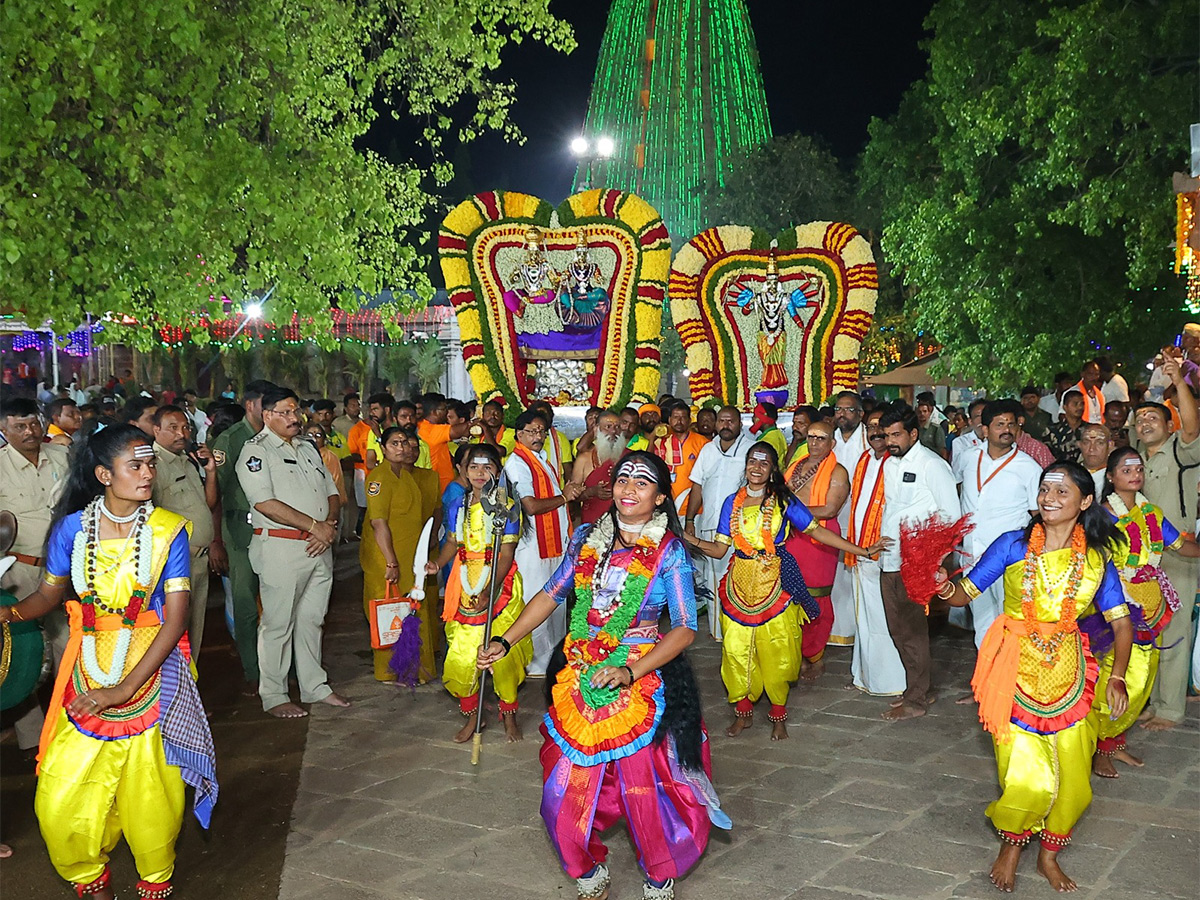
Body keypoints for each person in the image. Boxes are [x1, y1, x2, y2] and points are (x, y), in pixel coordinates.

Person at [477, 452, 729, 900]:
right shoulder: (585, 538)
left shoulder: (669, 551)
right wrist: (505, 639)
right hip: (582, 676)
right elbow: (552, 594)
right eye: (623, 479)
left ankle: (659, 872)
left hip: (641, 679)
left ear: (661, 495)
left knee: (642, 792)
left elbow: (686, 628)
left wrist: (631, 671)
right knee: (562, 793)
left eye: (643, 482)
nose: (629, 489)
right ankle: (585, 867)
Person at [1, 424, 218, 900]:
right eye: (135, 465)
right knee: (61, 800)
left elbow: (175, 620)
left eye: (150, 464)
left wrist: (121, 690)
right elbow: (48, 596)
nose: (147, 473)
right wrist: (7, 612)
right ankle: (92, 883)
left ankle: (154, 883)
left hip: (153, 675)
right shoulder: (71, 530)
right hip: (89, 669)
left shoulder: (167, 531)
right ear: (104, 474)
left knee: (153, 800)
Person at [935, 462, 1131, 894]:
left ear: (1085, 502)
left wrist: (1117, 677)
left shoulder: (1097, 559)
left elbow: (1120, 622)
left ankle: (1048, 855)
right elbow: (963, 594)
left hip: (1071, 671)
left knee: (1074, 773)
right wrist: (936, 583)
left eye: (1062, 492)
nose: (1049, 499)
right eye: (1045, 490)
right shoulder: (1012, 545)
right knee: (1024, 774)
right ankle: (1012, 845)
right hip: (1013, 667)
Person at [690, 444, 885, 739]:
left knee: (778, 650)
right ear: (746, 466)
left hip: (776, 584)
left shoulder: (783, 501)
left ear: (772, 470)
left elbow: (818, 531)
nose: (756, 467)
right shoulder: (732, 502)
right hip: (738, 585)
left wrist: (863, 550)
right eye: (752, 461)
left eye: (764, 462)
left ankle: (778, 714)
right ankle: (742, 713)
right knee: (735, 652)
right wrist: (684, 538)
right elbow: (719, 550)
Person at [236, 387, 349, 718]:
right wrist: (317, 527)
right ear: (266, 415)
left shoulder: (307, 448)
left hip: (318, 545)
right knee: (277, 623)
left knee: (313, 619)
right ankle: (273, 694)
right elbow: (264, 503)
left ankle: (315, 686)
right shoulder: (255, 453)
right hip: (282, 548)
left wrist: (327, 526)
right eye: (284, 412)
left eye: (296, 411)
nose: (293, 418)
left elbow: (331, 491)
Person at [1088, 448, 1199, 778]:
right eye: (1126, 468)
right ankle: (1099, 748)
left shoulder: (1151, 513)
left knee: (1143, 679)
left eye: (1139, 468)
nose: (1135, 473)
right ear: (1110, 476)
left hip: (1153, 608)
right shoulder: (1102, 515)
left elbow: (1181, 546)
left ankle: (1116, 742)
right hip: (1117, 611)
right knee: (1122, 679)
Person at [425, 444, 532, 742]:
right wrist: (438, 563)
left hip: (499, 584)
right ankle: (473, 717)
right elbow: (451, 542)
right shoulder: (457, 504)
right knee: (461, 655)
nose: (480, 473)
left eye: (487, 467)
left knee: (502, 655)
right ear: (462, 470)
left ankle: (510, 715)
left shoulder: (507, 505)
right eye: (473, 467)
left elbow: (506, 554)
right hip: (464, 585)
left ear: (498, 471)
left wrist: (489, 589)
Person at [1131, 352, 1200, 730]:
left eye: (1153, 416)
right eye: (1140, 418)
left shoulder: (1182, 450)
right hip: (1145, 560)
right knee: (1151, 630)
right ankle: (1154, 702)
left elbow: (1192, 426)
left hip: (1179, 555)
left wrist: (1178, 381)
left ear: (1170, 425)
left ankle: (1171, 709)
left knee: (1174, 631)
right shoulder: (1137, 458)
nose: (1145, 422)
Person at [877, 405, 960, 721]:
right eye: (886, 435)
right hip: (889, 556)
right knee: (897, 628)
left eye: (896, 434)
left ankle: (916, 699)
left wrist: (932, 561)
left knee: (911, 630)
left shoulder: (932, 465)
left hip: (917, 561)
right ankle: (918, 688)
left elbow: (950, 517)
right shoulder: (889, 464)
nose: (890, 441)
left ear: (914, 433)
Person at [0, 397, 70, 755]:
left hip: (63, 567)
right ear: (4, 429)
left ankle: (74, 726)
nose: (29, 432)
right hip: (18, 570)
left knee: (68, 643)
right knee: (25, 654)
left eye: (33, 424)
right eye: (19, 426)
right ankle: (32, 738)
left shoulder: (60, 458)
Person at [956, 401, 1041, 654]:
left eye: (1011, 424)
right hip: (972, 553)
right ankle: (985, 687)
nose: (1007, 429)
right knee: (982, 621)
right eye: (1000, 424)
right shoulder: (968, 457)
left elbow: (1038, 514)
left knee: (1010, 619)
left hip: (1010, 558)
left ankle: (1011, 687)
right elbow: (957, 488)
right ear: (984, 430)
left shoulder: (1029, 467)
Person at [504, 410, 582, 675]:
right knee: (536, 600)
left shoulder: (542, 459)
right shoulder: (517, 462)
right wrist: (564, 497)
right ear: (519, 434)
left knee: (556, 602)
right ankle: (536, 662)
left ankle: (554, 660)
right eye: (532, 431)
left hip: (553, 545)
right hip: (533, 548)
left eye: (541, 431)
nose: (538, 436)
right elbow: (530, 505)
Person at [360, 427, 438, 684]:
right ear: (382, 448)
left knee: (413, 610)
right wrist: (391, 561)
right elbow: (378, 523)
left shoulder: (405, 476)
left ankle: (415, 667)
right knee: (388, 612)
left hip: (410, 555)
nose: (401, 447)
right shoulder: (378, 478)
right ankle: (389, 669)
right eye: (394, 443)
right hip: (387, 557)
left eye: (404, 442)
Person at [210, 380, 275, 687]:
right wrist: (216, 541)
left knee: (278, 603)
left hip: (277, 530)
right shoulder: (230, 439)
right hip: (241, 530)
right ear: (250, 405)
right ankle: (253, 671)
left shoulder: (278, 438)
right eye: (268, 405)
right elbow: (216, 495)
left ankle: (278, 667)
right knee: (246, 603)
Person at [151, 405, 222, 661]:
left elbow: (208, 504)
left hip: (199, 561)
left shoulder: (187, 461)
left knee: (195, 633)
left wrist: (211, 471)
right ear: (156, 429)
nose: (182, 433)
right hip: (179, 563)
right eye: (173, 428)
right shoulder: (154, 466)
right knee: (175, 635)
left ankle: (190, 690)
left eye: (185, 428)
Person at [782, 420, 850, 677]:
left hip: (820, 540)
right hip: (791, 538)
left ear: (832, 442)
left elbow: (830, 509)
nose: (814, 442)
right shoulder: (795, 466)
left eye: (821, 438)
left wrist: (790, 513)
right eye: (811, 437)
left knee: (816, 597)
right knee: (789, 596)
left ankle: (815, 653)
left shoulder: (838, 472)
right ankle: (795, 653)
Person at [846, 408, 906, 697]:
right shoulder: (864, 460)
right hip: (861, 550)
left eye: (882, 427)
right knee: (865, 618)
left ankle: (890, 683)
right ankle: (866, 676)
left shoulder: (899, 463)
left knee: (884, 617)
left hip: (887, 553)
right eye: (871, 426)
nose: (876, 432)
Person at [685, 406, 755, 640]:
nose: (726, 425)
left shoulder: (750, 449)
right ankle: (720, 632)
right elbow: (697, 485)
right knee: (715, 580)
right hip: (710, 524)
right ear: (716, 424)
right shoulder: (707, 449)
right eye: (722, 421)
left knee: (739, 578)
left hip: (741, 527)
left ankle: (742, 630)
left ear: (740, 424)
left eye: (731, 421)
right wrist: (690, 519)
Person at [651, 401, 707, 513]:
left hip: (693, 507)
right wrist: (652, 438)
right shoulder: (661, 442)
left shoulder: (702, 442)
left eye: (683, 417)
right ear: (669, 420)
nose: (679, 421)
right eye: (676, 417)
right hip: (665, 504)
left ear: (690, 420)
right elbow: (650, 462)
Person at [568, 410, 623, 525]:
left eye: (617, 427)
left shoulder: (630, 457)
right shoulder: (584, 459)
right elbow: (572, 496)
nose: (613, 431)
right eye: (608, 426)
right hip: (592, 522)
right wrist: (591, 492)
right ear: (597, 429)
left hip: (623, 522)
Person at [417, 392, 473, 490]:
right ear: (433, 412)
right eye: (444, 409)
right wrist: (475, 423)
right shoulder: (430, 430)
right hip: (439, 488)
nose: (446, 413)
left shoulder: (423, 426)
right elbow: (459, 430)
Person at [1045, 389, 1084, 461]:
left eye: (1082, 404)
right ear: (1065, 407)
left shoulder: (1089, 429)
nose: (1080, 407)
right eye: (1075, 404)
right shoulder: (1052, 431)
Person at [1077, 422, 1114, 497]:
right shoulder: (1071, 475)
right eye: (1086, 443)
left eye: (1099, 443)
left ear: (1110, 446)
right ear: (1079, 445)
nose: (1092, 449)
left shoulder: (1117, 477)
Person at [915, 394, 948, 460]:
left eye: (925, 411)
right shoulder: (914, 427)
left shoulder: (936, 427)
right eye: (919, 412)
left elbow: (942, 450)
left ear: (929, 412)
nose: (922, 414)